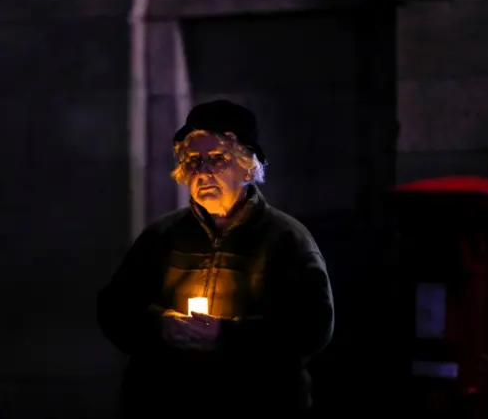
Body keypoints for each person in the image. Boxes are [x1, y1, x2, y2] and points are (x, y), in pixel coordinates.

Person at [97, 100, 334, 418]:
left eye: (217, 159)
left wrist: (227, 336)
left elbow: (312, 328)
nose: (203, 171)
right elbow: (114, 308)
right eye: (194, 161)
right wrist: (161, 325)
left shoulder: (286, 239)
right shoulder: (162, 236)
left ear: (247, 165)